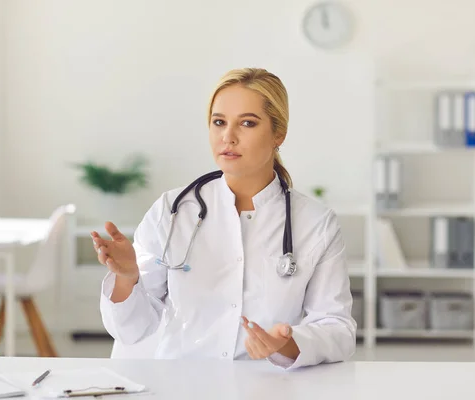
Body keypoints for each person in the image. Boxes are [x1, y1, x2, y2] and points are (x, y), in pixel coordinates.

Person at [93, 67, 357, 369]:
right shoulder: (172, 210)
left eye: (247, 123)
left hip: (266, 386)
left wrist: (286, 344)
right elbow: (131, 330)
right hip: (183, 384)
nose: (228, 137)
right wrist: (128, 279)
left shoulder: (315, 223)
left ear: (278, 133)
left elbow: (338, 327)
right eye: (219, 122)